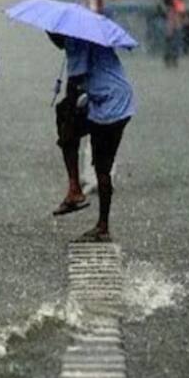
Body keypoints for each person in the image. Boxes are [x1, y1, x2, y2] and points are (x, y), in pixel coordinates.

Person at [48, 32, 136, 242]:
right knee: (64, 117)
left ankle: (102, 225)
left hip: (111, 105)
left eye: (52, 35)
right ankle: (74, 189)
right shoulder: (83, 38)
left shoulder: (76, 41)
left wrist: (68, 123)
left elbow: (75, 84)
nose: (52, 41)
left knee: (102, 165)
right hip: (111, 98)